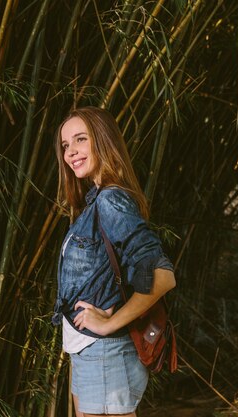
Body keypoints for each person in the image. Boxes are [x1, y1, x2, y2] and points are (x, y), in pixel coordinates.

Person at [51, 106, 176, 417]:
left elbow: (160, 275)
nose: (71, 152)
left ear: (103, 141)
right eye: (66, 145)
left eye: (80, 139)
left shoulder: (110, 200)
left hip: (105, 354)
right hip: (89, 351)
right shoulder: (93, 200)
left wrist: (110, 323)